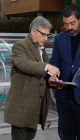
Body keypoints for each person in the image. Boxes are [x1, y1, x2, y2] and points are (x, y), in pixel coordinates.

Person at [4, 16, 61, 140]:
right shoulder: (20, 46)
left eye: (48, 35)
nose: (46, 38)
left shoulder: (41, 49)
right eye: (43, 34)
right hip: (21, 108)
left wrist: (51, 80)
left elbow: (41, 73)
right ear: (33, 32)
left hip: (35, 108)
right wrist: (47, 66)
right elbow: (23, 63)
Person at [50, 4, 80, 140]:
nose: (69, 28)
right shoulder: (59, 38)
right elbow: (54, 62)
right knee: (65, 136)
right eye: (65, 24)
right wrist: (54, 77)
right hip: (63, 98)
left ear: (79, 20)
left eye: (72, 23)